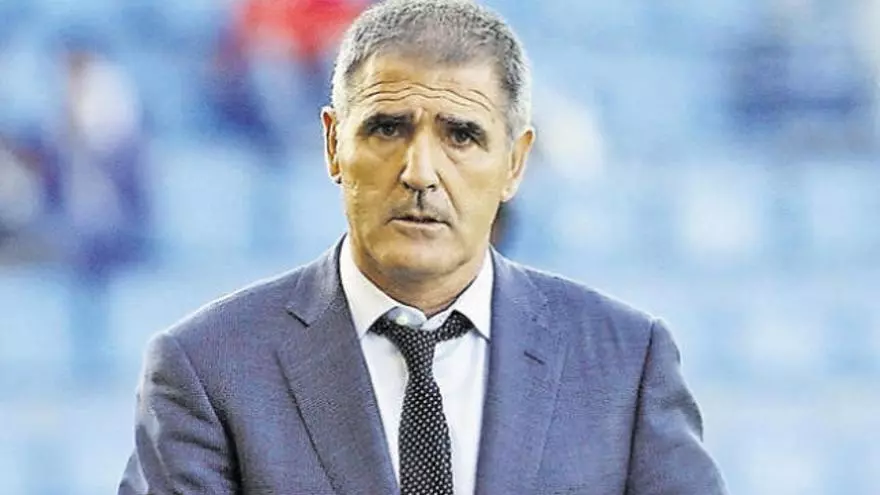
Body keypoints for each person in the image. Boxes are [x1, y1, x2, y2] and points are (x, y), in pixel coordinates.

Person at [118, 1, 728, 494]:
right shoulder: (206, 368)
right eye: (388, 128)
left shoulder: (626, 362)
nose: (419, 172)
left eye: (461, 135)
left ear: (515, 163)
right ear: (333, 144)